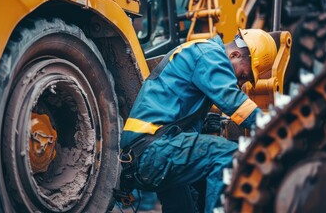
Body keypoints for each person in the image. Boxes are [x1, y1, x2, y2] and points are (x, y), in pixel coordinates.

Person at [119, 29, 277, 213]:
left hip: (142, 154)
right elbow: (234, 102)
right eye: (243, 76)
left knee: (185, 208)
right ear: (234, 54)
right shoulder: (209, 54)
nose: (241, 83)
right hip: (153, 149)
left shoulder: (198, 53)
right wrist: (275, 130)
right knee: (228, 156)